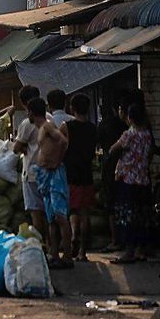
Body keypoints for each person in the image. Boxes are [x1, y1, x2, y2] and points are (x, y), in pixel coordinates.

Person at [29, 97, 73, 268]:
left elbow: (63, 141)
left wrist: (56, 161)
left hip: (54, 174)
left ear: (32, 112)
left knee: (61, 217)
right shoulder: (41, 128)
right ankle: (54, 254)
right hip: (45, 174)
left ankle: (67, 256)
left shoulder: (48, 126)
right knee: (51, 219)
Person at [110, 100, 154, 264]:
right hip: (143, 179)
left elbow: (113, 149)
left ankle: (129, 251)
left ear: (130, 117)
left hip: (128, 179)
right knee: (141, 215)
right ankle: (140, 250)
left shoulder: (130, 134)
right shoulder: (147, 134)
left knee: (127, 216)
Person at [13, 85, 51, 246]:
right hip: (50, 170)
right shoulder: (50, 118)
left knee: (36, 212)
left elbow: (16, 148)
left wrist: (22, 146)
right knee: (50, 211)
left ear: (24, 104)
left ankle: (41, 246)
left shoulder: (27, 123)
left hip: (32, 172)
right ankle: (52, 246)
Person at [61, 93, 96, 261]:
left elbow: (60, 146)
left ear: (72, 108)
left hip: (70, 173)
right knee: (84, 212)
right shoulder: (92, 128)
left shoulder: (66, 127)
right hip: (86, 173)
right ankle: (83, 252)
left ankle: (73, 237)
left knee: (72, 210)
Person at [98, 100, 129, 251]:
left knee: (110, 205)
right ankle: (125, 240)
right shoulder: (125, 126)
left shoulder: (105, 125)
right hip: (126, 172)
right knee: (123, 205)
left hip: (110, 168)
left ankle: (115, 240)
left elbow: (109, 149)